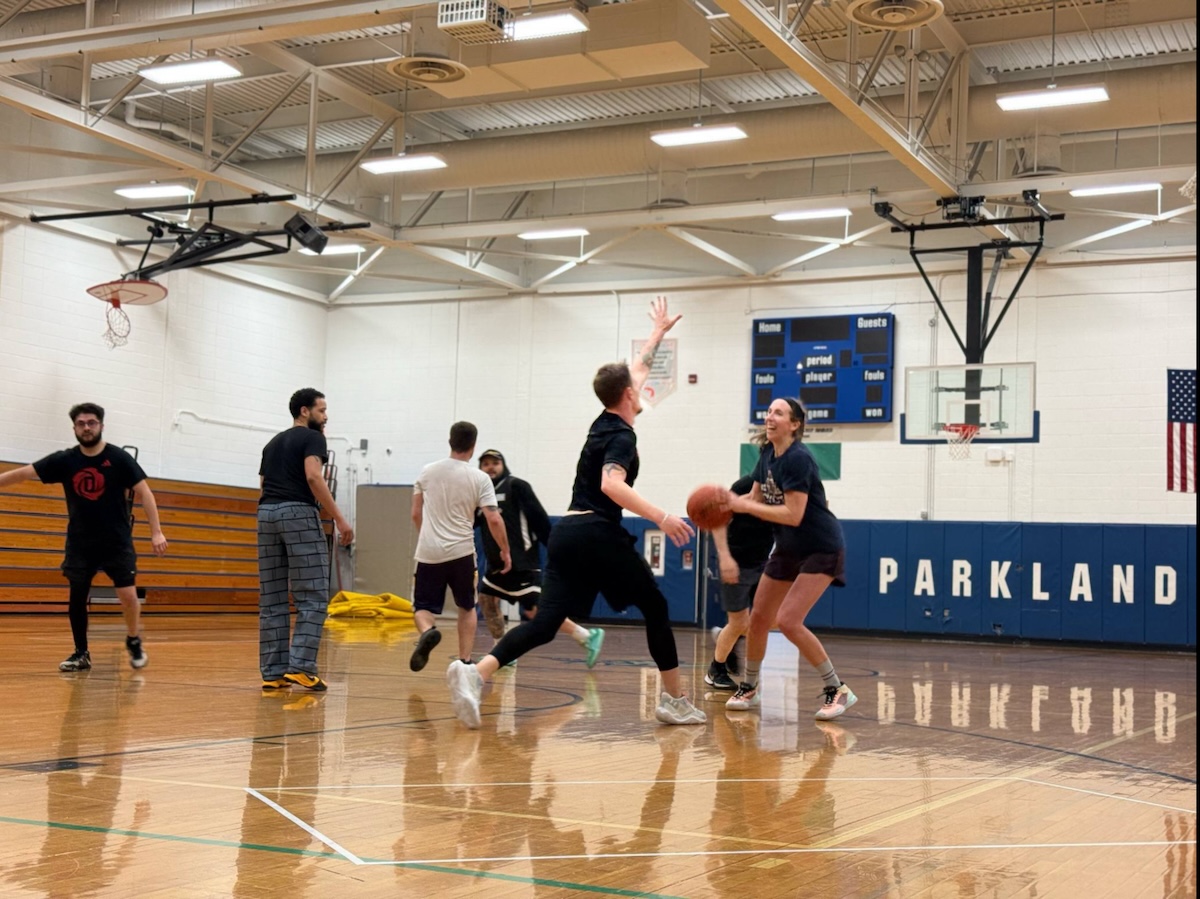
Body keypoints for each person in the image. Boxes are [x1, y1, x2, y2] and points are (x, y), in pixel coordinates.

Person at [446, 296, 704, 729]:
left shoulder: (602, 418)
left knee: (546, 622)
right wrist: (662, 516)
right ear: (627, 396)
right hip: (597, 533)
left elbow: (634, 370)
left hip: (568, 531)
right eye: (636, 388)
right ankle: (675, 700)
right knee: (656, 607)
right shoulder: (621, 436)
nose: (640, 388)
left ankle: (475, 673)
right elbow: (611, 484)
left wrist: (658, 333)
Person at [0, 403, 167, 671]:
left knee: (128, 596)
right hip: (80, 542)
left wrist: (156, 531)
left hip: (116, 541)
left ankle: (133, 639)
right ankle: (81, 652)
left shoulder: (119, 459)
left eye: (91, 423)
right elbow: (23, 473)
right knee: (77, 597)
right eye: (81, 424)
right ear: (75, 428)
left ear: (101, 426)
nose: (86, 427)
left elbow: (146, 494)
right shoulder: (66, 460)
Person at [724, 397, 856, 719]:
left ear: (794, 424)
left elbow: (793, 514)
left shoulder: (798, 459)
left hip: (820, 546)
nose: (769, 417)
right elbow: (753, 498)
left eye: (778, 413)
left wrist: (745, 507)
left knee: (788, 621)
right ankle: (750, 686)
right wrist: (723, 504)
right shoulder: (767, 454)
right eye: (768, 412)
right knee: (758, 619)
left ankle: (837, 689)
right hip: (788, 547)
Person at [257, 388, 353, 693]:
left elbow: (262, 483)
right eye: (322, 410)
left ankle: (272, 672)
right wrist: (338, 517)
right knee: (312, 595)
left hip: (266, 514)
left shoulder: (272, 443)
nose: (325, 417)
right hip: (297, 512)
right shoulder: (313, 438)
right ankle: (300, 667)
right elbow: (313, 476)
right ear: (304, 411)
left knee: (272, 597)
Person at [475, 448, 605, 668]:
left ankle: (586, 636)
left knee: (537, 610)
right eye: (485, 464)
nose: (490, 467)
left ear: (503, 465)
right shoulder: (479, 496)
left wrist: (556, 550)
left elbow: (540, 519)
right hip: (496, 565)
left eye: (494, 463)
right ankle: (503, 652)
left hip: (522, 561)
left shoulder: (517, 486)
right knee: (487, 601)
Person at [410, 422, 511, 672]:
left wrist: (427, 536)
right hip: (462, 553)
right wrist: (505, 550)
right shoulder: (480, 478)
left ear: (450, 441)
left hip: (429, 552)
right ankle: (465, 660)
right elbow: (494, 518)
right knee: (466, 606)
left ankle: (428, 631)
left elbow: (415, 513)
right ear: (473, 446)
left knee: (422, 607)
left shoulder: (426, 472)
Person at [705, 474, 774, 690]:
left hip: (763, 562)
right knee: (739, 623)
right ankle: (716, 670)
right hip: (737, 563)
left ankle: (726, 638)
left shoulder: (785, 489)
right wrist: (724, 557)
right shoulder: (743, 486)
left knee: (770, 621)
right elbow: (717, 520)